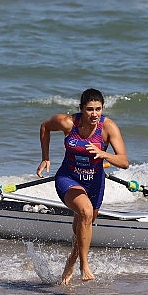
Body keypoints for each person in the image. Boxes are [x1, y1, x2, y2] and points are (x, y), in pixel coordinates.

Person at [36, 88, 129, 284]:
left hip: (95, 182)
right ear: (81, 109)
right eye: (89, 109)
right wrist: (45, 157)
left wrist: (104, 154)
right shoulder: (68, 122)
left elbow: (124, 161)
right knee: (85, 212)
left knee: (83, 225)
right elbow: (45, 126)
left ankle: (72, 259)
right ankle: (84, 265)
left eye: (98, 109)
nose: (94, 114)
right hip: (68, 177)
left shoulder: (108, 127)